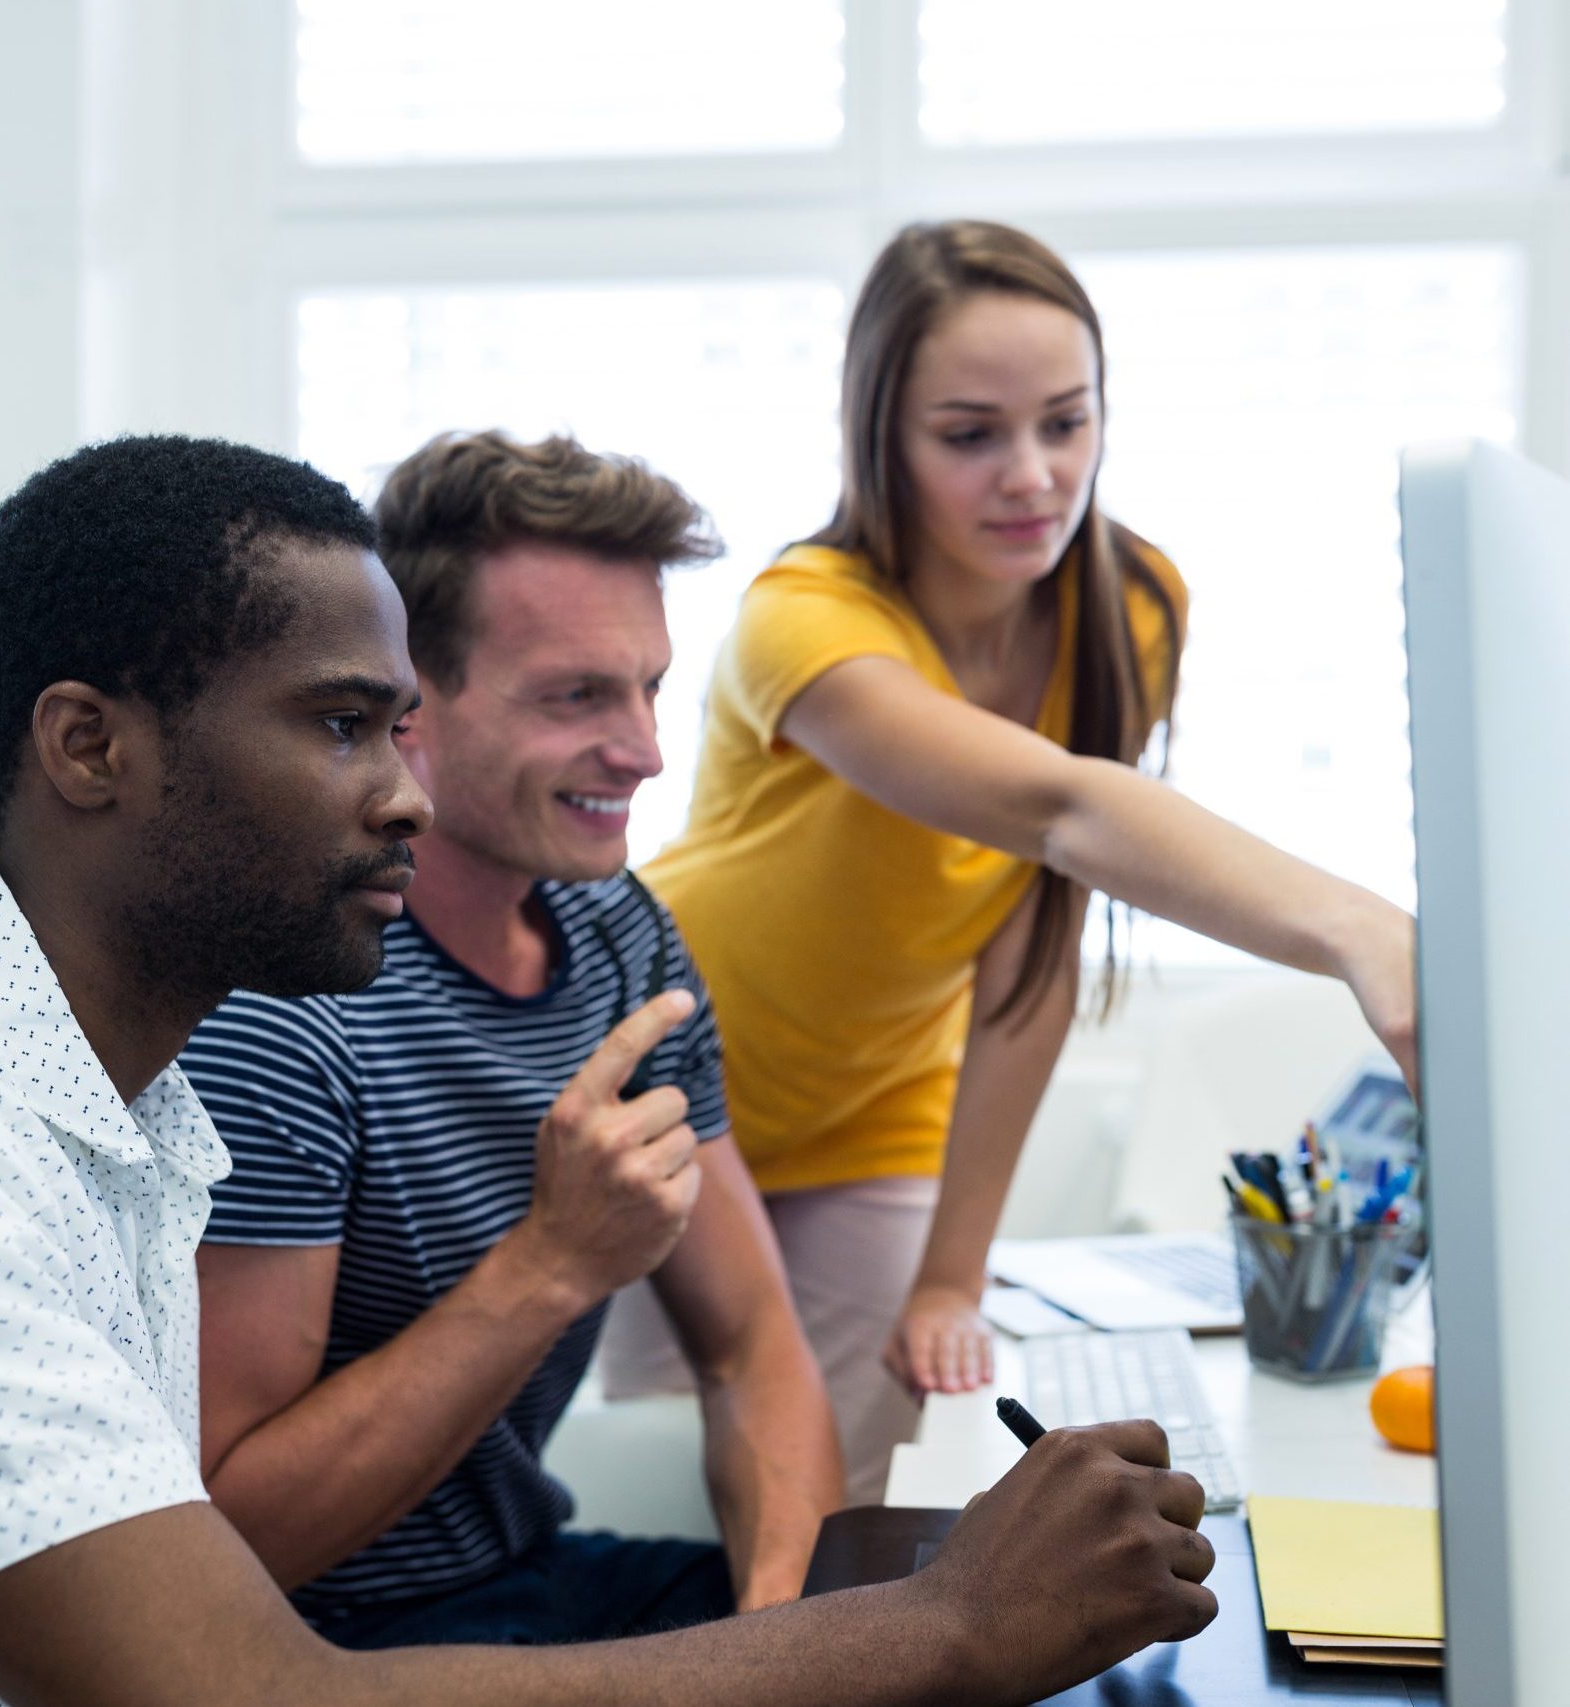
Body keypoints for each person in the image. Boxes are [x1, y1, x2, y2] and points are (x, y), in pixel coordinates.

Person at [0, 430, 1217, 1707]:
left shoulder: (140, 1099)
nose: (401, 789)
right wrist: (936, 1628)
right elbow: (237, 1681)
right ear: (90, 746)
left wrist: (836, 1629)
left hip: (484, 1588)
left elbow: (752, 1343)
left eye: (392, 726)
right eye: (344, 725)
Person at [602, 219, 1419, 1502]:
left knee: (864, 1490)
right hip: (681, 1077)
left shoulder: (1133, 606)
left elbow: (1036, 937)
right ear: (884, 436)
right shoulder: (801, 617)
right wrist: (1362, 932)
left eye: (1067, 421)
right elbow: (1057, 810)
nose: (1034, 475)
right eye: (971, 434)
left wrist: (951, 1273)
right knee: (693, 1475)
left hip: (880, 1103)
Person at [179, 429, 842, 1648]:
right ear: (406, 711)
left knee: (968, 1635)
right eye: (576, 696)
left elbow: (752, 1347)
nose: (645, 749)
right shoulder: (284, 1008)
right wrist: (553, 1262)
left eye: (648, 686)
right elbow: (228, 1539)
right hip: (322, 1641)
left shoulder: (621, 936)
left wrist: (783, 1647)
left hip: (526, 1576)